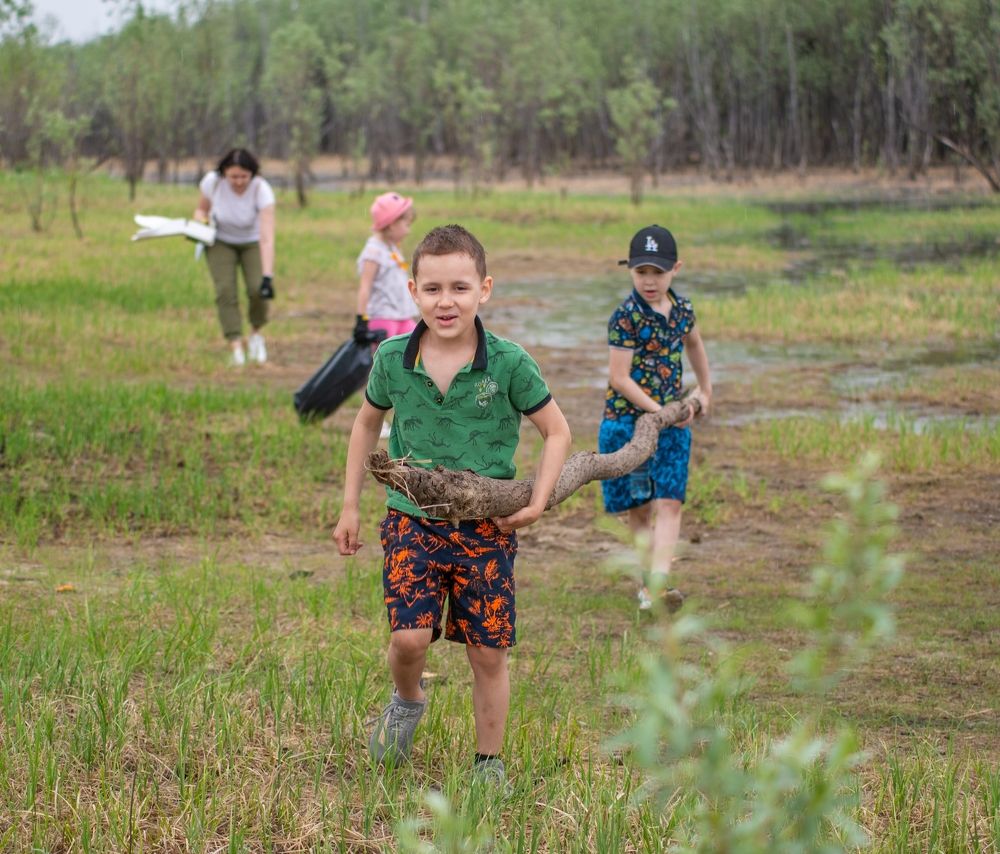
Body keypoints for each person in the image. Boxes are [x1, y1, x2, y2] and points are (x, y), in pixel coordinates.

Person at [333, 224, 571, 788]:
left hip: (485, 527)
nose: (447, 302)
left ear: (484, 289)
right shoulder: (393, 358)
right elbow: (366, 423)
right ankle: (407, 701)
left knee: (488, 653)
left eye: (460, 288)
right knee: (409, 638)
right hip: (411, 521)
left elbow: (556, 432)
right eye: (434, 288)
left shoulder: (510, 363)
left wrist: (537, 501)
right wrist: (350, 507)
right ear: (413, 290)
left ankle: (489, 764)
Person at [599, 224, 712, 611]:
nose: (649, 281)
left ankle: (658, 584)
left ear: (675, 269)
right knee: (641, 505)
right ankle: (648, 584)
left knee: (671, 501)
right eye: (641, 272)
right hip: (631, 424)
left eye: (658, 273)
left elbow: (694, 345)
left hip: (674, 421)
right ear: (630, 270)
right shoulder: (625, 317)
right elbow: (619, 377)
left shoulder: (683, 311)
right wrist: (658, 412)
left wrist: (705, 390)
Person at [194, 148, 276, 366]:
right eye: (233, 176)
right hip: (220, 241)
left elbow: (267, 236)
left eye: (244, 176)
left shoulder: (262, 190)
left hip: (251, 241)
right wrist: (200, 223)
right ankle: (236, 344)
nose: (239, 181)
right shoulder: (212, 182)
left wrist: (268, 276)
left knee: (257, 289)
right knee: (225, 291)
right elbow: (201, 210)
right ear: (224, 173)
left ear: (252, 174)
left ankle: (256, 334)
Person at [353, 192, 418, 439]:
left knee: (416, 357)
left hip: (403, 315)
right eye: (405, 224)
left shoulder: (392, 248)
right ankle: (377, 420)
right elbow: (365, 287)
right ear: (390, 224)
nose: (408, 230)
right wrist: (362, 320)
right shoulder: (373, 251)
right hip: (383, 318)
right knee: (385, 370)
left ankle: (407, 414)